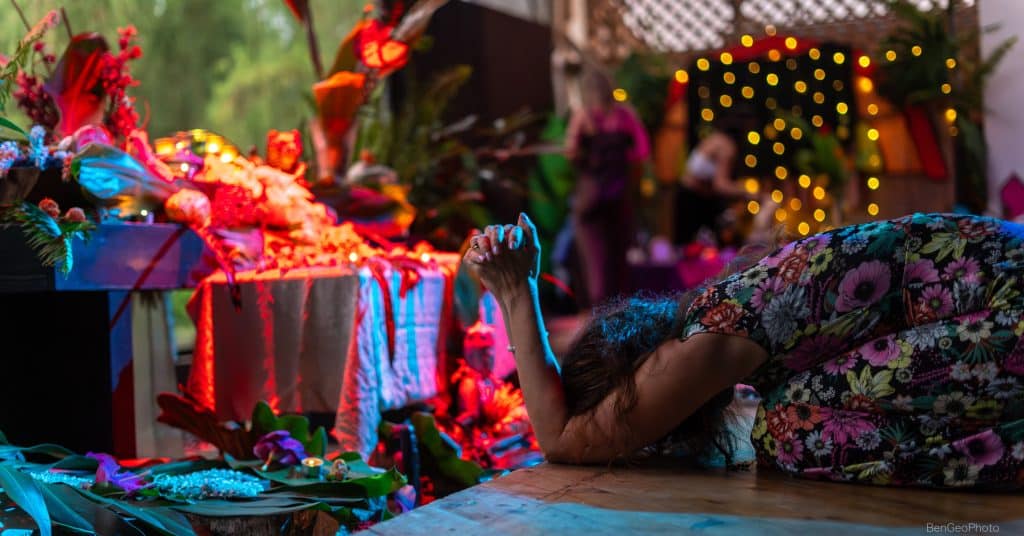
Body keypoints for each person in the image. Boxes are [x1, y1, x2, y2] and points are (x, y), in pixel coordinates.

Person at [465, 212, 1024, 489]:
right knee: (788, 415)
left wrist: (517, 293)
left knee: (789, 430)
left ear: (625, 378)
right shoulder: (726, 312)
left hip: (1007, 304)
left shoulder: (711, 334)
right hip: (997, 281)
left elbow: (563, 440)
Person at [565, 71, 650, 308]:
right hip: (619, 196)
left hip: (590, 200)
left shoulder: (584, 117)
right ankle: (619, 320)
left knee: (596, 266)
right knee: (619, 265)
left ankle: (599, 323)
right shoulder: (625, 116)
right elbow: (642, 152)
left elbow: (570, 152)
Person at [675, 114, 757, 245]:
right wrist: (748, 193)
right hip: (695, 200)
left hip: (686, 194)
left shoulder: (713, 139)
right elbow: (721, 185)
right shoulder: (727, 147)